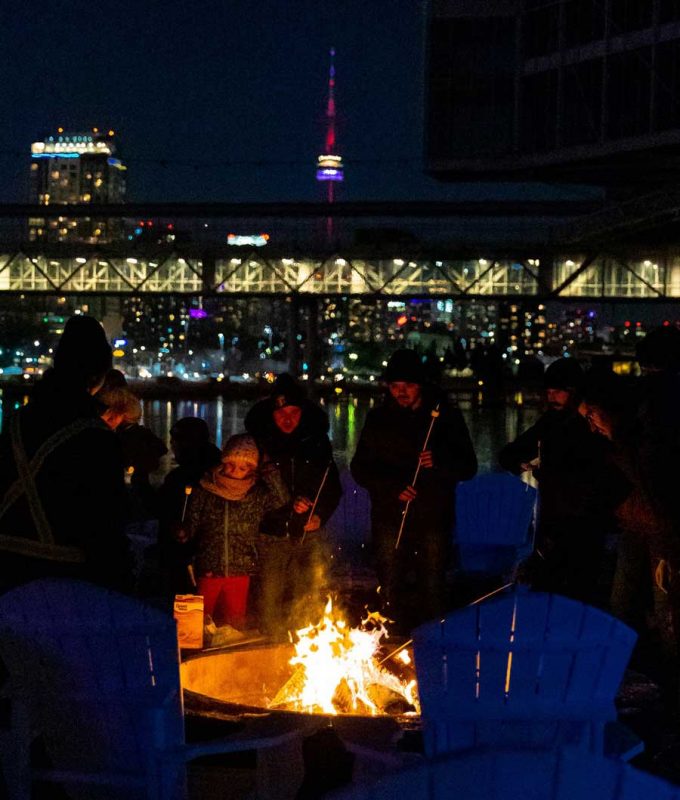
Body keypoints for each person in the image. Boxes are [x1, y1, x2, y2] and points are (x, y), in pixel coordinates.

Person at [0, 315, 133, 592]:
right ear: (98, 375)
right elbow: (105, 527)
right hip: (64, 579)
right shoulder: (96, 437)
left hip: (7, 573)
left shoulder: (14, 422)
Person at [351, 348, 477, 634]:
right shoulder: (378, 419)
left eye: (408, 385)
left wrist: (440, 462)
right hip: (389, 515)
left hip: (433, 517)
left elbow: (468, 466)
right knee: (390, 582)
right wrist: (392, 487)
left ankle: (434, 639)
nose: (401, 392)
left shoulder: (445, 418)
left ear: (420, 385)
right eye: (395, 386)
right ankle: (390, 640)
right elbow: (360, 467)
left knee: (432, 583)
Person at [498, 358, 622, 604]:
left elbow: (595, 475)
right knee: (551, 586)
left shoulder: (592, 425)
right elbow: (511, 453)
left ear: (574, 392)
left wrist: (547, 472)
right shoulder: (550, 422)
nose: (551, 397)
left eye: (558, 392)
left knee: (579, 587)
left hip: (586, 521)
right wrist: (521, 463)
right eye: (548, 392)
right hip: (553, 519)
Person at [245, 373, 342, 638]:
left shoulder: (316, 444)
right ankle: (268, 648)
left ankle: (306, 649)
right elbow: (247, 492)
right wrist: (288, 507)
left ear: (303, 412)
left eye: (294, 412)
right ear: (270, 413)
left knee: (308, 597)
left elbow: (332, 487)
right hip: (270, 535)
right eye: (280, 413)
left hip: (308, 535)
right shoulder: (257, 446)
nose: (287, 419)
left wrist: (320, 515)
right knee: (269, 600)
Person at [182, 434, 288, 630]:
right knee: (199, 621)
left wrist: (270, 469)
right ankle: (193, 654)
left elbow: (281, 500)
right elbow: (192, 523)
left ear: (252, 469)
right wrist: (184, 533)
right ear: (223, 462)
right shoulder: (205, 489)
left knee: (236, 621)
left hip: (241, 568)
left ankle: (232, 653)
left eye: (243, 467)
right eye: (231, 464)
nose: (235, 471)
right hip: (209, 567)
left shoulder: (256, 495)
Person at [157, 417, 221, 595]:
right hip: (212, 556)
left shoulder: (181, 477)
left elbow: (163, 510)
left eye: (175, 441)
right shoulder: (220, 471)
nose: (172, 446)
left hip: (188, 555)